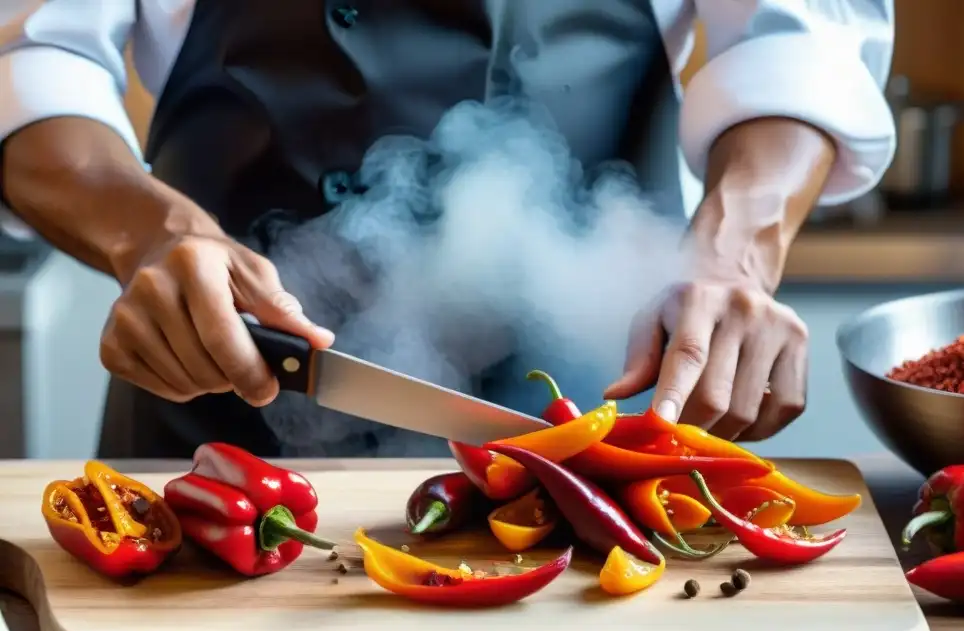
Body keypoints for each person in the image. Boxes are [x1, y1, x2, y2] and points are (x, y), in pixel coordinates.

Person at [0, 1, 895, 460]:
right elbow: (30, 49)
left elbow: (802, 32)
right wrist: (151, 234)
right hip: (221, 419)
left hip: (599, 415)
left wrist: (734, 254)